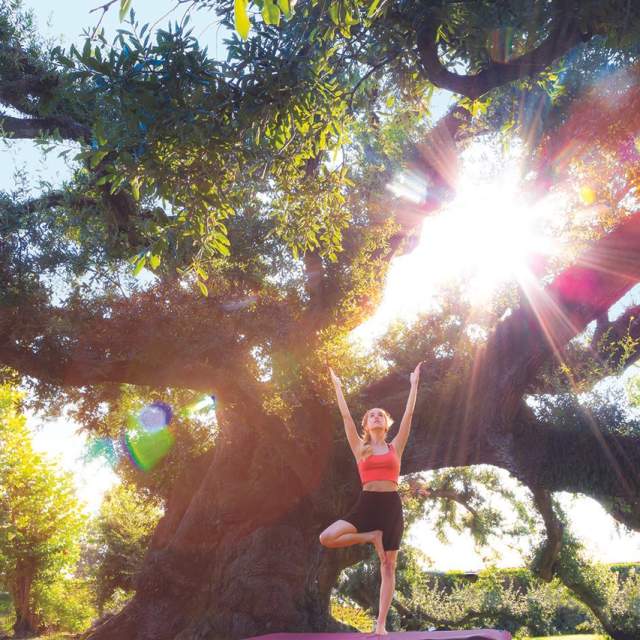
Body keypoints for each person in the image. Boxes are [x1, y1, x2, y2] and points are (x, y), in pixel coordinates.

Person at [319, 361, 422, 636]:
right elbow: (344, 418)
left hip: (390, 507)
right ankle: (371, 536)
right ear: (365, 424)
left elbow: (409, 415)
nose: (376, 416)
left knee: (388, 566)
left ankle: (381, 625)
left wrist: (413, 385)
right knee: (326, 537)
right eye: (371, 415)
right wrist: (338, 386)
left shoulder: (394, 447)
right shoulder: (359, 448)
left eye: (380, 415)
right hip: (366, 506)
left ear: (386, 423)